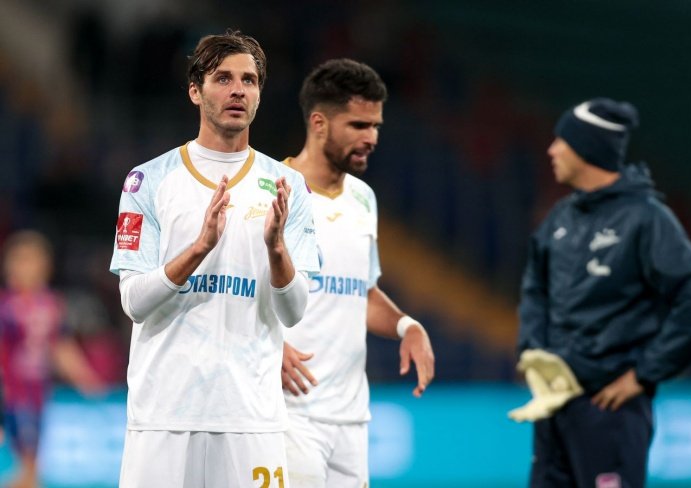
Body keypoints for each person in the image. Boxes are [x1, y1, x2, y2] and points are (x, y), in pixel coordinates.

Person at [109, 30, 319, 488]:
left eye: (249, 80)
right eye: (223, 78)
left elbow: (294, 311)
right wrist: (198, 249)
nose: (238, 90)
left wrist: (277, 250)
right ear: (195, 91)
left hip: (251, 419)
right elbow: (133, 302)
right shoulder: (148, 180)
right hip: (163, 416)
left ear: (260, 93)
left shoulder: (287, 187)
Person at [512, 98, 691, 487]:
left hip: (609, 407)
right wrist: (532, 353)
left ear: (587, 148)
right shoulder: (560, 218)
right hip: (554, 408)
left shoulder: (646, 218)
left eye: (562, 141)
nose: (552, 150)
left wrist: (643, 374)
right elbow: (535, 291)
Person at [281, 58, 435, 488]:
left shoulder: (363, 199)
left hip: (350, 421)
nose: (372, 138)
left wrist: (407, 326)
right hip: (287, 414)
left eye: (376, 126)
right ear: (319, 123)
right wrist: (268, 347)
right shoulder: (269, 190)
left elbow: (362, 293)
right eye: (358, 125)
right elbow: (234, 296)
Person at [0, 230, 104, 488]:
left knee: (31, 461)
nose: (28, 268)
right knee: (26, 461)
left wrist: (86, 379)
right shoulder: (5, 306)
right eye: (21, 260)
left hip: (39, 393)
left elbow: (61, 346)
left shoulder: (51, 304)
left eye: (34, 261)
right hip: (11, 393)